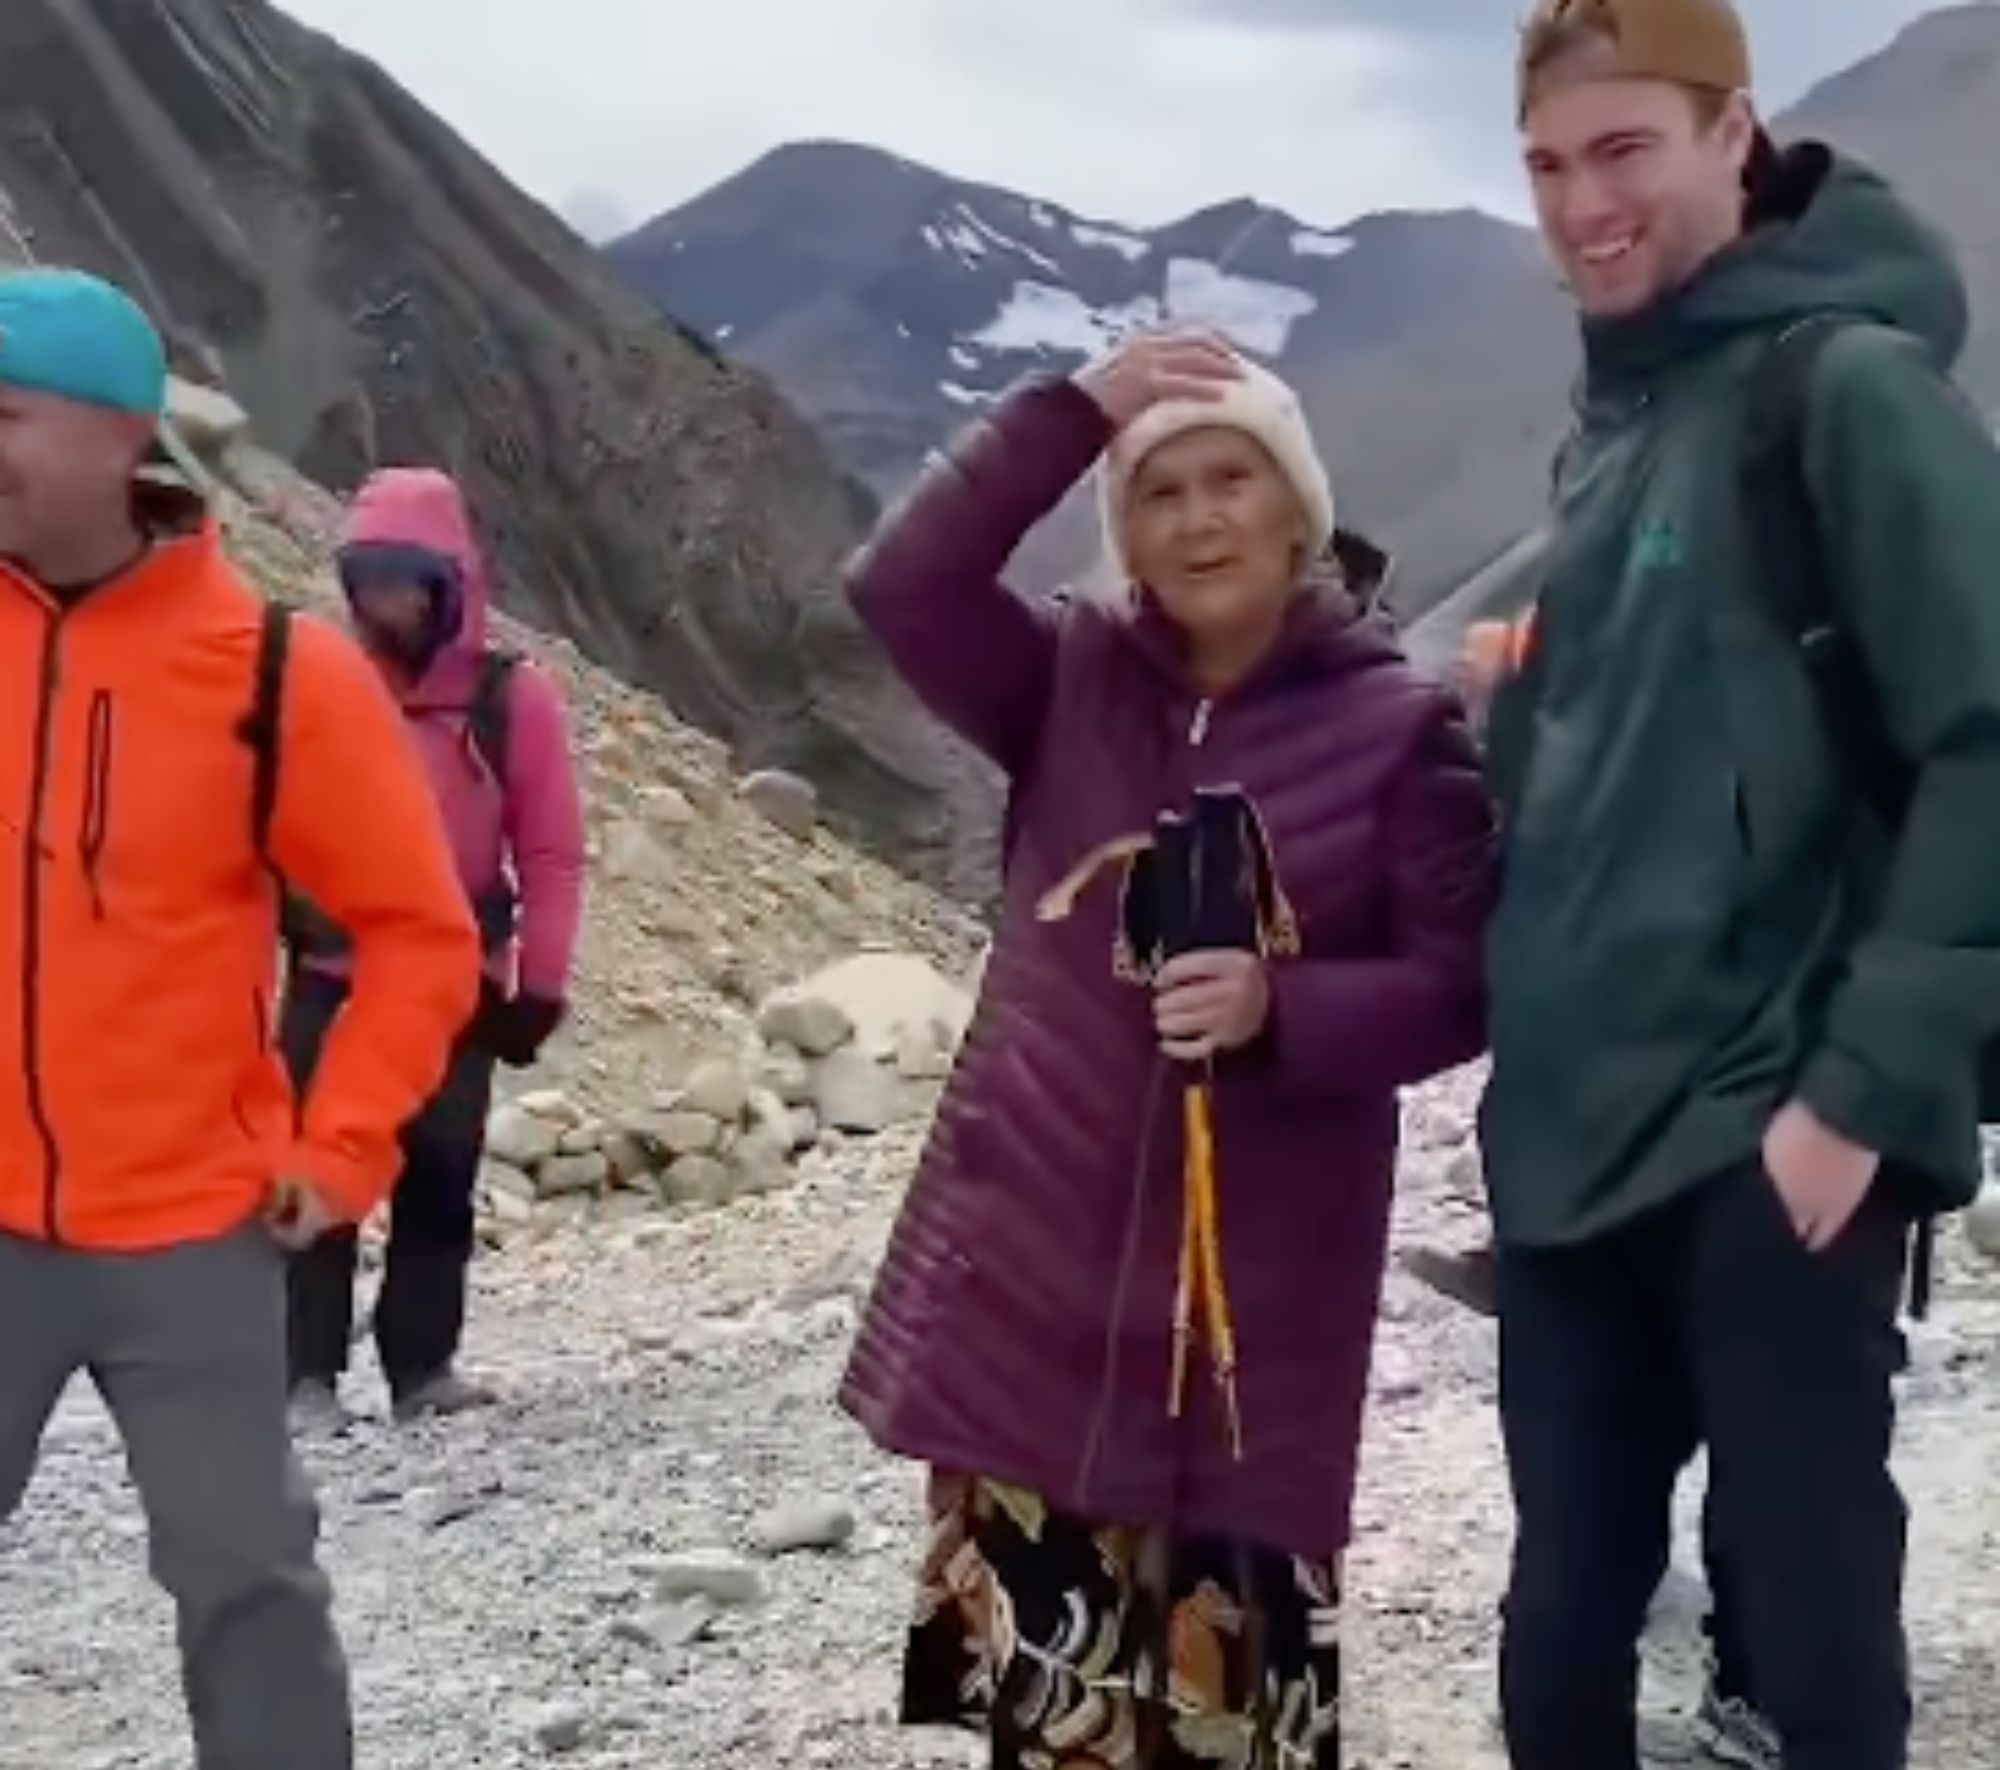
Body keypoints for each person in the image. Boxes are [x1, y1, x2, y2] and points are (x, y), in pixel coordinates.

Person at [837, 332, 1494, 1768]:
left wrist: (1285, 1006)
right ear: (1122, 528)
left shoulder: (1397, 727)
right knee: (1055, 1730)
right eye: (1160, 490)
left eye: (1234, 479)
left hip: (1249, 1334)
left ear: (1297, 507)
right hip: (1036, 1309)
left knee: (1229, 1737)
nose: (1201, 520)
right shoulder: (1067, 680)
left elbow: (1462, 986)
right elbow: (900, 583)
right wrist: (1073, 415)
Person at [1484, 5, 2000, 1769]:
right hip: (1567, 1143)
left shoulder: (1841, 388)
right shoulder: (1607, 436)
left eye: (1625, 149)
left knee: (1809, 1637)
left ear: (1734, 134)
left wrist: (1855, 1100)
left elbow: (1986, 741)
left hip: (1771, 1127)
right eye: (1548, 165)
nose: (1582, 203)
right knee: (1560, 1634)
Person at [0, 268, 479, 1768]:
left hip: (192, 1228)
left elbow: (419, 935)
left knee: (245, 1585)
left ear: (112, 435)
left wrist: (341, 1147)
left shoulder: (274, 672)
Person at [283, 467, 585, 1427]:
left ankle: (421, 1369)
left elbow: (550, 849)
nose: (386, 602)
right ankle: (303, 1377)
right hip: (330, 973)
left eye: (406, 580)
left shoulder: (511, 699)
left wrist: (538, 984)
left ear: (449, 582)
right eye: (368, 579)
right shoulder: (318, 681)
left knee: (439, 1178)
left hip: (454, 984)